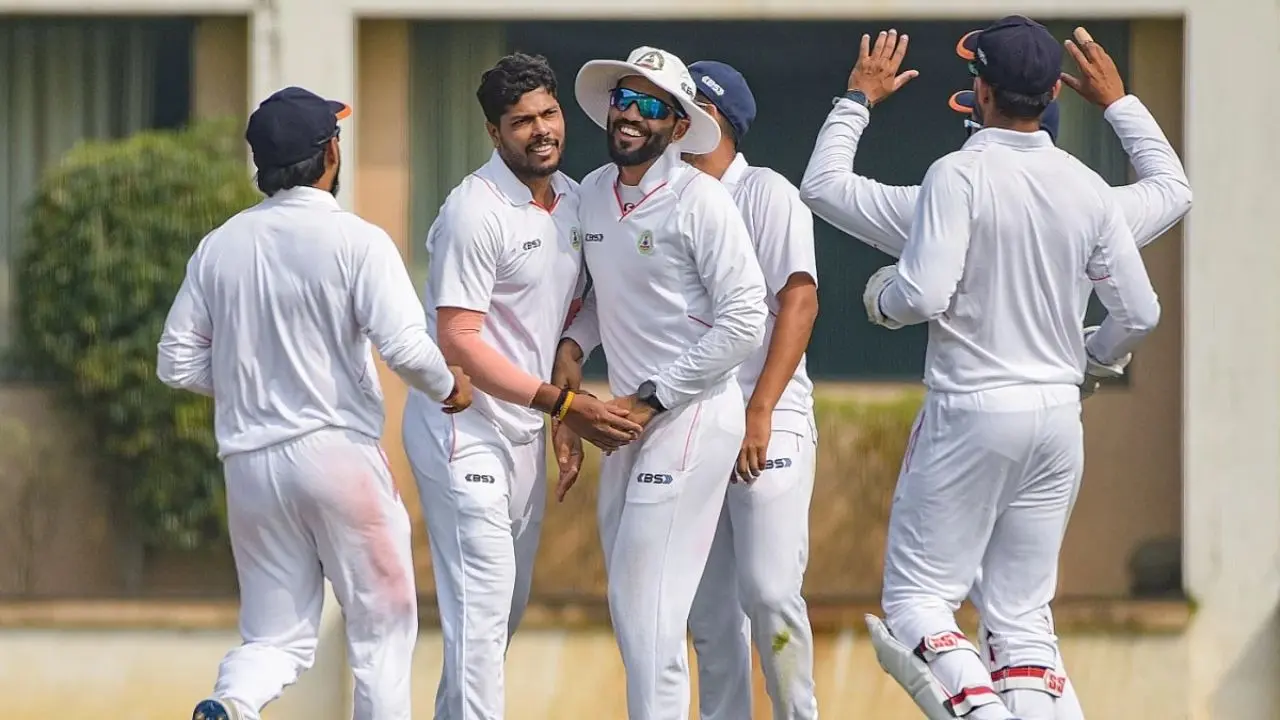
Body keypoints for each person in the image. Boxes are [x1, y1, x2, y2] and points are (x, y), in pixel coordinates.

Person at [857, 17, 1161, 720]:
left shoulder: (958, 172)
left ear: (982, 90)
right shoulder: (1086, 186)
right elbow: (1140, 314)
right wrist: (1092, 357)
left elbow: (924, 293)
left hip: (972, 409)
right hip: (1057, 416)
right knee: (1020, 617)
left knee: (916, 601)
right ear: (1053, 90)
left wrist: (879, 299)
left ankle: (976, 710)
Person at [157, 86, 473, 720]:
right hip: (337, 455)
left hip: (249, 462)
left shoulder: (219, 246)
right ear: (330, 153)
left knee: (275, 636)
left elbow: (175, 362)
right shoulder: (356, 240)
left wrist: (255, 385)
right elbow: (407, 348)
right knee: (384, 625)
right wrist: (451, 385)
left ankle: (232, 704)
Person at [400, 53, 644, 720]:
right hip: (462, 433)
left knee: (495, 622)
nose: (540, 130)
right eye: (520, 122)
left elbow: (590, 301)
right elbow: (459, 339)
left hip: (524, 433)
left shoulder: (577, 197)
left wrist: (566, 372)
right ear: (493, 132)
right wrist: (565, 404)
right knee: (481, 616)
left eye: (548, 113)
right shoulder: (473, 211)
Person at [551, 46, 768, 720]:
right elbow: (600, 298)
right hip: (630, 421)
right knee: (633, 606)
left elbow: (746, 320)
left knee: (648, 608)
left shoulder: (701, 201)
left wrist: (651, 399)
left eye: (652, 107)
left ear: (679, 128)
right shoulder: (587, 193)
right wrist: (570, 346)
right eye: (624, 98)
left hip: (693, 414)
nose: (631, 115)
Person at [679, 61, 821, 720]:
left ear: (715, 122)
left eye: (682, 111)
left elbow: (797, 301)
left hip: (770, 415)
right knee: (708, 616)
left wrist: (759, 410)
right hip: (692, 423)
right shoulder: (666, 197)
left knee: (768, 592)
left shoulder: (766, 192)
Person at [800, 26, 1192, 259]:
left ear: (983, 93)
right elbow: (1175, 191)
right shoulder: (1092, 196)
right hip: (1056, 396)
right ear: (1055, 90)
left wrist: (857, 100)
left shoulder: (947, 188)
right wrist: (1118, 103)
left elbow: (822, 187)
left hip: (964, 397)